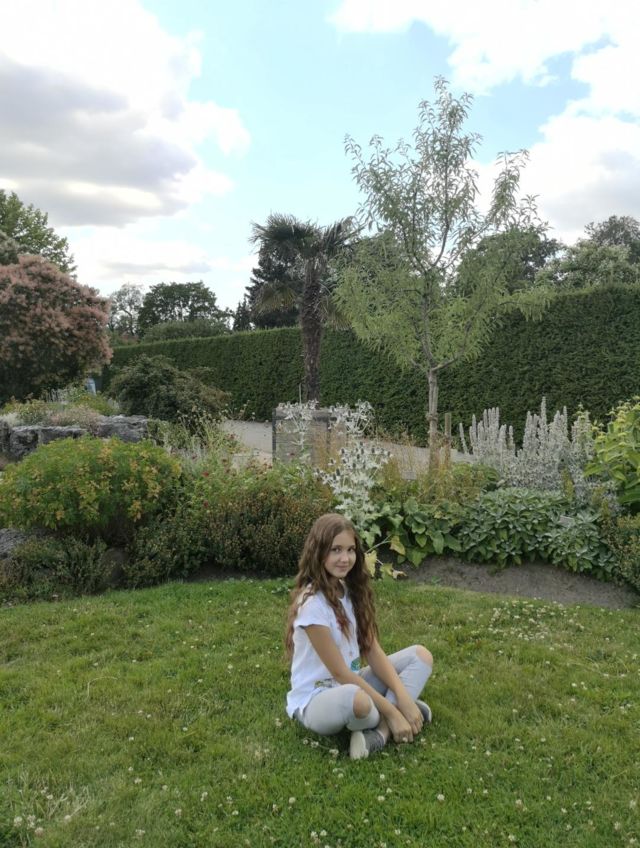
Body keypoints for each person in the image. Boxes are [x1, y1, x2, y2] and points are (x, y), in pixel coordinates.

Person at [285, 513, 433, 760]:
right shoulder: (312, 605)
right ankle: (393, 715)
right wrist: (394, 711)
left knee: (421, 656)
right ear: (319, 552)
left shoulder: (349, 590)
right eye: (336, 550)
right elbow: (340, 673)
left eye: (350, 550)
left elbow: (372, 649)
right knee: (360, 702)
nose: (345, 558)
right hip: (317, 698)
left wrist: (402, 697)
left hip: (352, 681)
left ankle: (383, 729)